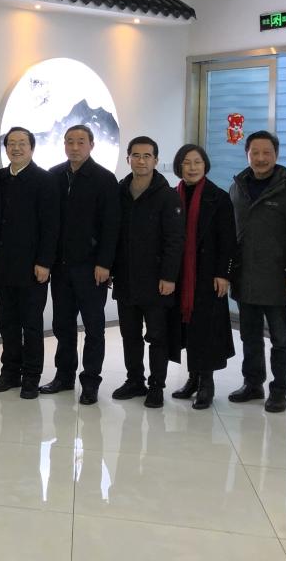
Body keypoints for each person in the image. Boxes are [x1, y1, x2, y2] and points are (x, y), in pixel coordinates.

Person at [41, 124, 120, 405]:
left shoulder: (104, 179)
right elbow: (48, 223)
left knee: (94, 328)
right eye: (69, 142)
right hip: (61, 267)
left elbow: (112, 225)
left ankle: (90, 382)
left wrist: (105, 263)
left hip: (91, 268)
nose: (74, 147)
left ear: (91, 145)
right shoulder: (54, 176)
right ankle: (64, 377)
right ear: (64, 145)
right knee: (62, 325)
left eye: (80, 142)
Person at [228, 131, 286, 413]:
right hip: (244, 274)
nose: (260, 158)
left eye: (266, 153)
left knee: (281, 338)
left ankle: (280, 390)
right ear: (247, 154)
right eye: (255, 153)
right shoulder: (238, 187)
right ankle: (253, 383)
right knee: (249, 335)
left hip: (277, 276)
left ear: (276, 155)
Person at [111, 136, 184, 409]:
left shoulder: (167, 195)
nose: (141, 161)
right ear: (128, 158)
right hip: (126, 278)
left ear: (155, 160)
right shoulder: (120, 191)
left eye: (147, 156)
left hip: (157, 281)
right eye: (136, 155)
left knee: (157, 336)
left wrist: (169, 277)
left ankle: (156, 386)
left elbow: (175, 240)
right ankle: (134, 381)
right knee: (129, 335)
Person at [0, 127, 59, 399]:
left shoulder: (45, 180)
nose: (16, 148)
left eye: (22, 143)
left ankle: (31, 376)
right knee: (7, 322)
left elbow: (51, 225)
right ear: (6, 147)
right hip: (3, 264)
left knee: (31, 324)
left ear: (32, 148)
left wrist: (45, 262)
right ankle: (10, 372)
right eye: (11, 143)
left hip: (33, 267)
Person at [169, 144, 237, 410]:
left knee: (206, 330)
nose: (192, 167)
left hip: (208, 275)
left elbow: (228, 240)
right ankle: (193, 379)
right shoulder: (172, 196)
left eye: (197, 162)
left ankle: (206, 383)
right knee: (187, 328)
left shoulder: (218, 197)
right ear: (179, 166)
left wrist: (223, 273)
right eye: (187, 162)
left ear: (205, 165)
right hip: (180, 275)